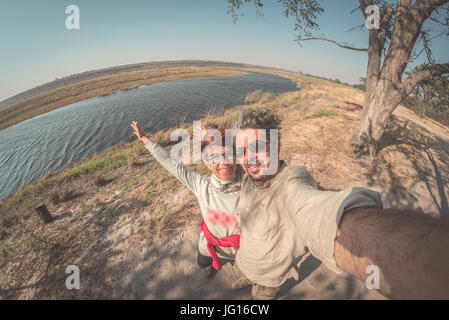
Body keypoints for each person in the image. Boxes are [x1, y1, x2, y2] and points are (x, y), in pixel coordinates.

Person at [230, 109, 449, 300]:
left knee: (260, 296)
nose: (249, 158)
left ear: (277, 144)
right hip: (247, 261)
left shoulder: (292, 181)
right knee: (247, 271)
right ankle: (247, 276)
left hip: (270, 275)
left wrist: (406, 257)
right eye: (242, 151)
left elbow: (313, 207)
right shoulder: (249, 177)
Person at [131, 121, 242, 279]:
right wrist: (145, 140)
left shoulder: (250, 182)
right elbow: (170, 163)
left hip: (243, 247)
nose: (224, 162)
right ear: (206, 163)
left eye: (229, 155)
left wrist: (211, 136)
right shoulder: (200, 184)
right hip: (210, 244)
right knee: (202, 263)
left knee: (245, 267)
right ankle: (212, 266)